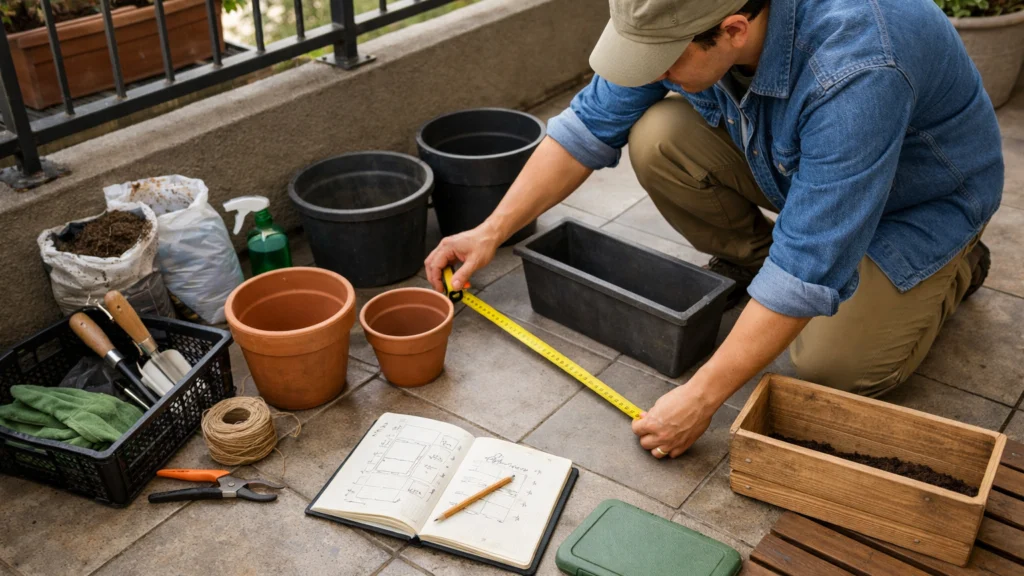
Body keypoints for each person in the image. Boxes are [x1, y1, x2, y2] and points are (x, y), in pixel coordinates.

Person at [424, 0, 1003, 459]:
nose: (652, 73)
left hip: (919, 205)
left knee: (833, 368)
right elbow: (588, 126)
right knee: (657, 137)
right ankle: (758, 273)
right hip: (807, 170)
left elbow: (809, 265)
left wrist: (701, 398)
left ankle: (956, 267)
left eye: (665, 61)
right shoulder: (686, 18)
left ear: (732, 31)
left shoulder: (858, 67)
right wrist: (491, 230)